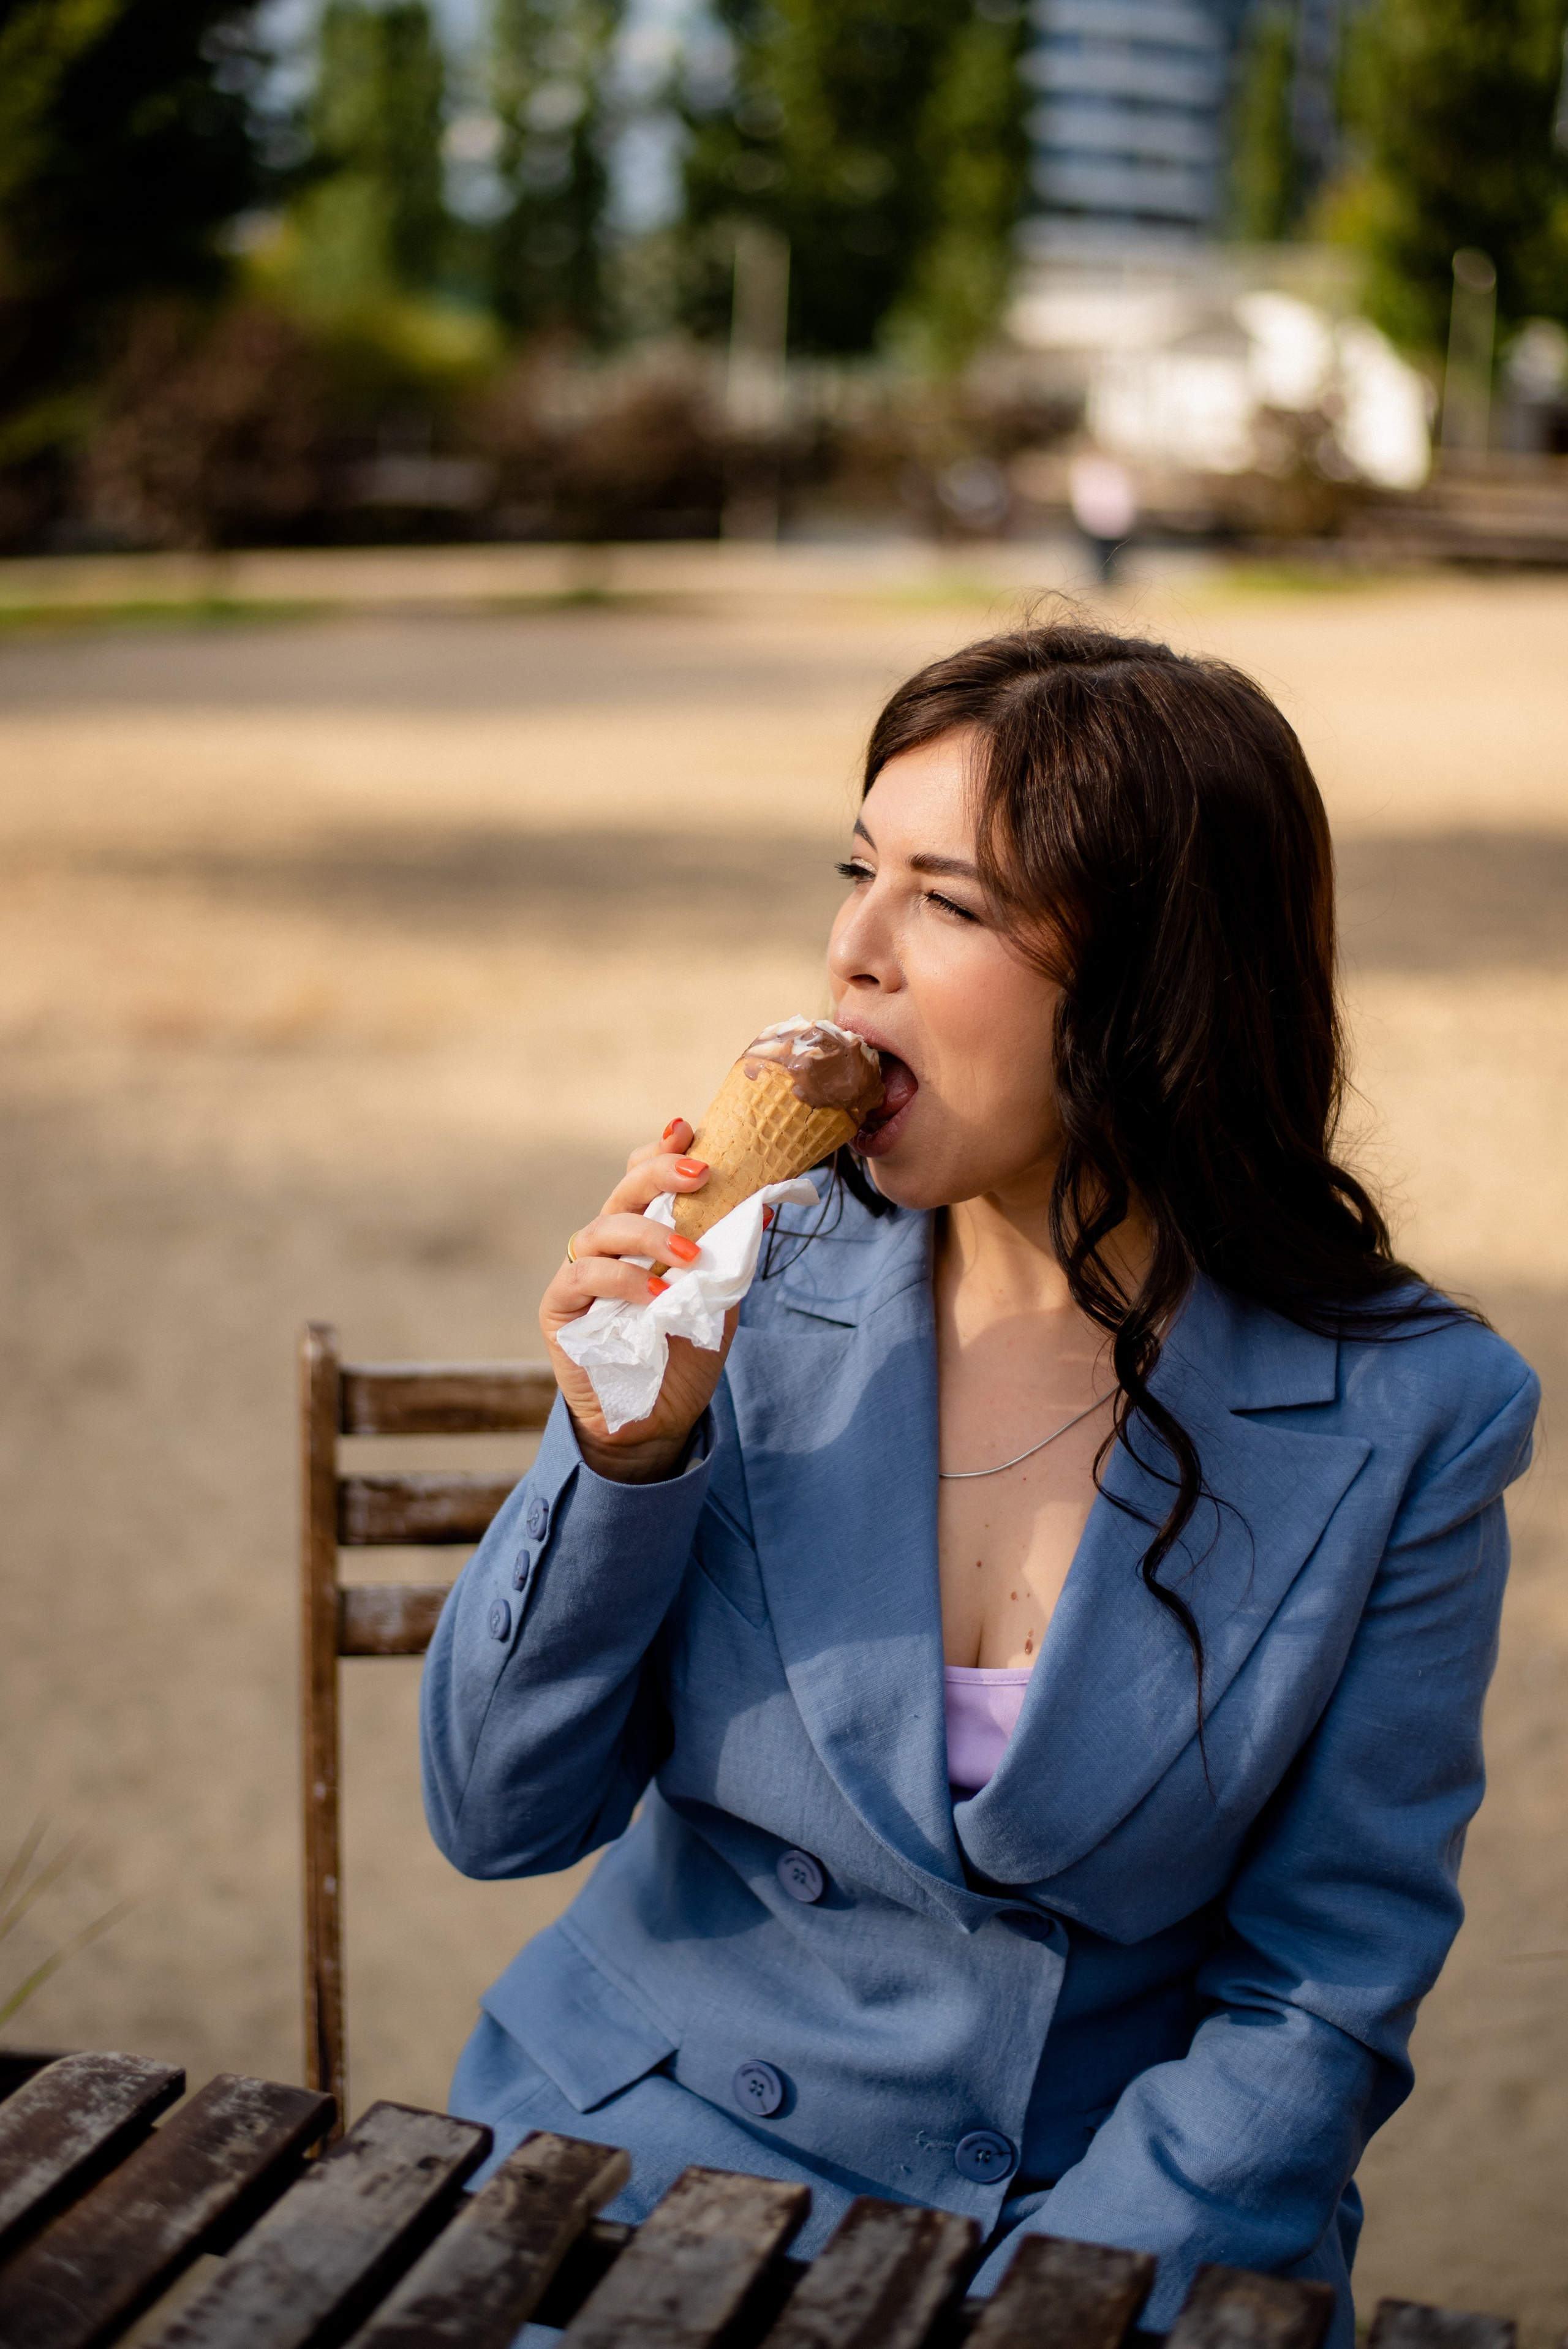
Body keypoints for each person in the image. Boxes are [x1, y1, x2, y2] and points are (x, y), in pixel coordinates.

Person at [420, 622, 1539, 2342]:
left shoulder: (1411, 1410)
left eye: (946, 901)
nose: (850, 954)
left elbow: (1316, 1993)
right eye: (855, 871)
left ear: (1157, 974)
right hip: (630, 2160)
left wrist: (1049, 2296)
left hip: (1083, 2227)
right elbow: (496, 1814)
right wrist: (621, 1448)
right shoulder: (752, 1281)